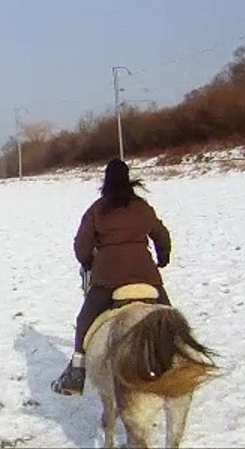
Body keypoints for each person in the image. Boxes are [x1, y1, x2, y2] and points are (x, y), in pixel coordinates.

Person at [52, 158, 172, 396]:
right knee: (168, 318)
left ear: (105, 181)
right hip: (146, 275)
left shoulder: (97, 210)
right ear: (128, 179)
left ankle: (77, 370)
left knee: (84, 320)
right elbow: (161, 234)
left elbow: (81, 247)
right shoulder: (141, 207)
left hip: (108, 278)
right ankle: (174, 357)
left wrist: (88, 262)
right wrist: (163, 256)